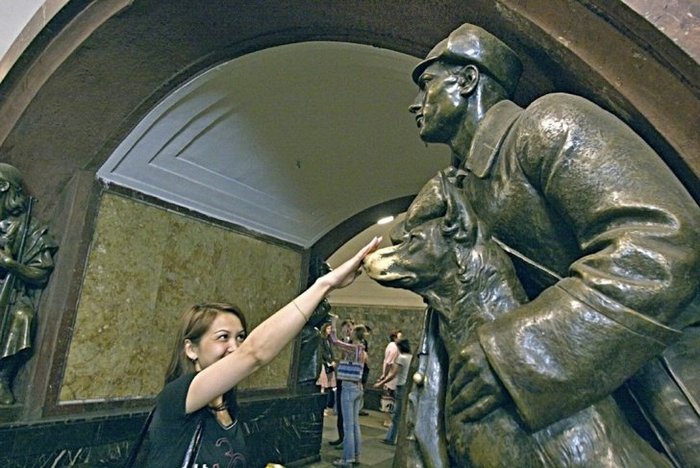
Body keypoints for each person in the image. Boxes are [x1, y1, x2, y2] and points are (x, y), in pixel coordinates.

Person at [407, 22, 700, 466]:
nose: (415, 104)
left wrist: (517, 353)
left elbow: (662, 243)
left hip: (664, 398)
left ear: (467, 80)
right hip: (569, 424)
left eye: (427, 83)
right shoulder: (462, 189)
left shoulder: (546, 125)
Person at [142, 236, 381, 467]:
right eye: (222, 337)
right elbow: (253, 354)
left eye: (240, 337)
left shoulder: (226, 404)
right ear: (191, 349)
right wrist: (324, 284)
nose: (235, 347)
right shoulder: (175, 399)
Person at [0, 163, 57, 405]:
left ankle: (2, 378)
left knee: (23, 316)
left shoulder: (30, 230)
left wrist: (12, 265)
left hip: (11, 293)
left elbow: (39, 273)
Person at [328, 319, 368, 467]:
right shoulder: (362, 350)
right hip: (358, 388)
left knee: (348, 426)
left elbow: (334, 341)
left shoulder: (353, 348)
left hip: (349, 388)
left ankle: (347, 459)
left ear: (355, 334)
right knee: (355, 424)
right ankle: (356, 456)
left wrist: (332, 322)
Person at [374, 338, 412, 445]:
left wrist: (381, 382)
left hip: (400, 386)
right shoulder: (410, 357)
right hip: (407, 386)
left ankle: (391, 438)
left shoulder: (401, 358)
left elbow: (394, 373)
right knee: (402, 413)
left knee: (396, 414)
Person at [328, 318, 355, 447]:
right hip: (349, 381)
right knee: (345, 415)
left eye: (350, 327)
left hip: (347, 382)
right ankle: (345, 440)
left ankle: (347, 447)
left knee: (347, 416)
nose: (347, 330)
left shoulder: (355, 346)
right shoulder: (355, 345)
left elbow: (334, 341)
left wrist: (333, 323)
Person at [375, 328, 401, 426]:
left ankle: (389, 419)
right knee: (388, 398)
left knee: (389, 398)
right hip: (391, 377)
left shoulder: (393, 346)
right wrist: (384, 375)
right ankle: (388, 420)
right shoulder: (394, 347)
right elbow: (389, 362)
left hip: (392, 376)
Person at [316, 322, 336, 413]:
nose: (330, 331)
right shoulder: (321, 339)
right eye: (328, 329)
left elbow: (330, 351)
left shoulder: (328, 340)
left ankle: (326, 405)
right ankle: (321, 407)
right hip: (324, 364)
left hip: (329, 364)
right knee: (323, 385)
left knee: (328, 385)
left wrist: (333, 359)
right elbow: (323, 352)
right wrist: (329, 360)